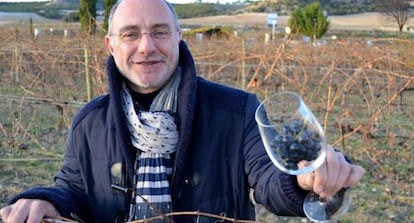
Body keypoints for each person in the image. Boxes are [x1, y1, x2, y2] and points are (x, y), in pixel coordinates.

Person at [0, 0, 365, 222]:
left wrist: (305, 180)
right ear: (111, 45)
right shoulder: (89, 123)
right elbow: (74, 191)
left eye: (160, 31)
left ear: (178, 37)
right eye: (130, 34)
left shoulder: (237, 111)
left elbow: (270, 181)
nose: (147, 46)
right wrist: (43, 200)